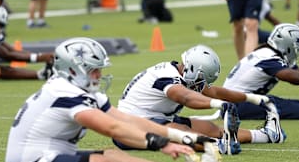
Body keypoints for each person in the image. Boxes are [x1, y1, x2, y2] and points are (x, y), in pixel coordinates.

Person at [4, 38, 222, 162]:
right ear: (71, 70)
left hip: (50, 158)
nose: (98, 75)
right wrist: (161, 143)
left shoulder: (82, 89)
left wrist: (182, 137)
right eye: (93, 70)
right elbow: (112, 128)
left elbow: (127, 119)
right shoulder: (63, 91)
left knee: (115, 156)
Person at [116, 44, 288, 156]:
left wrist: (253, 98)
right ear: (192, 69)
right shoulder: (167, 78)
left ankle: (266, 136)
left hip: (154, 117)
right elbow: (185, 97)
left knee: (209, 127)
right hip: (129, 128)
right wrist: (219, 105)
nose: (202, 85)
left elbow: (215, 91)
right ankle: (216, 146)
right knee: (180, 130)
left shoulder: (185, 73)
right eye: (202, 79)